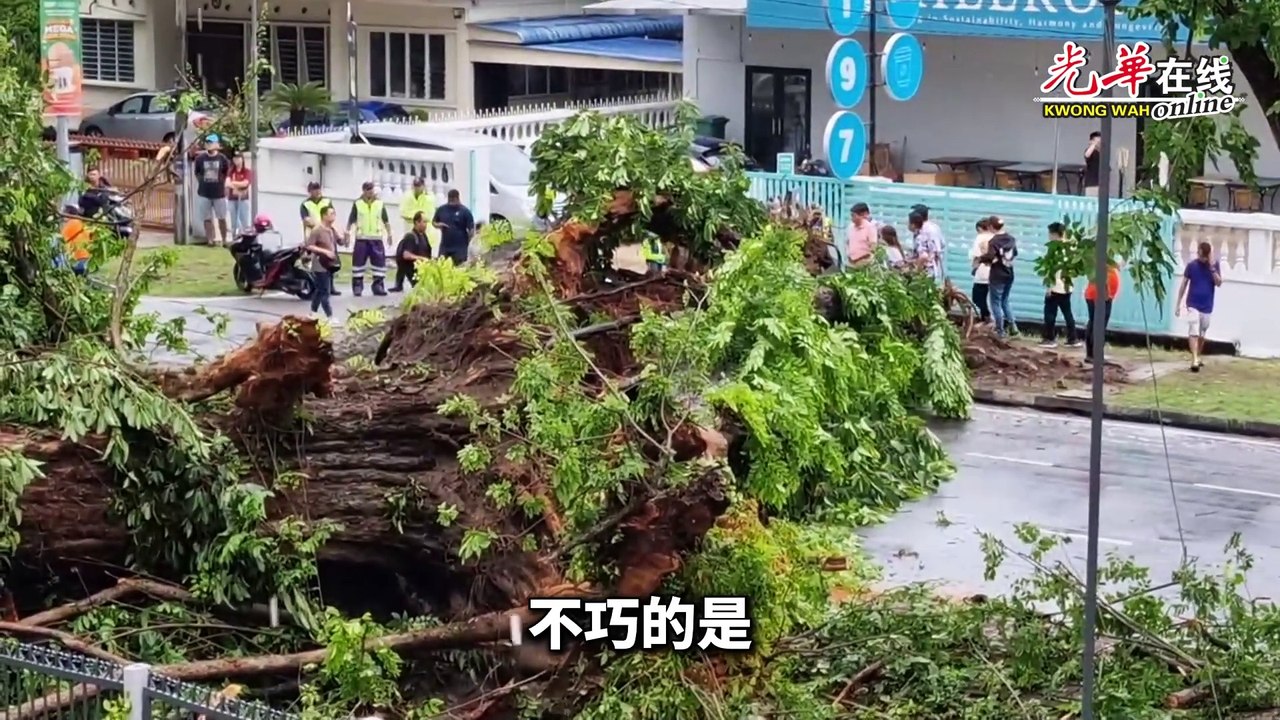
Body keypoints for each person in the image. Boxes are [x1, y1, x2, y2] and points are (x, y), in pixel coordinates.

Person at [1175, 241, 1222, 372]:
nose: (1201, 258)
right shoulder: (1191, 266)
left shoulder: (1214, 265)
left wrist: (1212, 268)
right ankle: (1194, 359)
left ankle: (1198, 355)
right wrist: (1178, 304)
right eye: (1199, 254)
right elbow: (1183, 285)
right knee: (1193, 330)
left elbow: (1218, 283)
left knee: (1202, 332)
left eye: (1203, 256)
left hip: (1207, 305)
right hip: (1192, 304)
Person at [346, 181, 392, 296]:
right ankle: (357, 286)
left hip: (376, 238)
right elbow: (351, 219)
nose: (370, 191)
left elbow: (385, 220)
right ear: (363, 191)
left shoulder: (380, 204)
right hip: (361, 238)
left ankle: (378, 286)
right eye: (367, 189)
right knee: (358, 264)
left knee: (379, 264)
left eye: (371, 189)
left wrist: (390, 234)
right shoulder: (357, 204)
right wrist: (347, 232)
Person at [1040, 222, 1080, 348]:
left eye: (1050, 234)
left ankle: (1049, 338)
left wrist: (1049, 287)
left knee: (1050, 313)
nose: (1049, 236)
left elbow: (1051, 269)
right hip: (1067, 285)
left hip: (1056, 286)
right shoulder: (1071, 246)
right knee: (1067, 312)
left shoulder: (1054, 248)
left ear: (1054, 234)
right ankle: (1072, 339)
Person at [299, 181, 341, 296]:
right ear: (309, 191)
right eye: (314, 189)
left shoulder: (327, 201)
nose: (317, 191)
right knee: (313, 262)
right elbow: (306, 220)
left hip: (327, 235)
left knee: (330, 262)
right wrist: (319, 227)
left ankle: (330, 286)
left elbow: (331, 215)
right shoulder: (305, 204)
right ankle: (315, 285)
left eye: (318, 189)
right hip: (313, 235)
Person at [192, 134, 232, 246]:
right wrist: (202, 183)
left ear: (217, 144)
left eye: (211, 142)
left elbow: (226, 173)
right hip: (204, 192)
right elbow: (197, 173)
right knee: (207, 218)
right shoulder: (200, 159)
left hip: (219, 193)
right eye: (207, 142)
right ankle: (210, 239)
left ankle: (224, 240)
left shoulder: (222, 159)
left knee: (221, 217)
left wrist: (223, 185)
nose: (208, 144)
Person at [983, 216, 1018, 338]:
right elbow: (1015, 254)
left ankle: (1000, 330)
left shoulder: (993, 242)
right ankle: (1013, 327)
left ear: (992, 227)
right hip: (1009, 273)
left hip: (997, 275)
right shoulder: (1011, 239)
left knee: (995, 302)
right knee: (1005, 301)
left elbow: (989, 257)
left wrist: (981, 259)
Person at [304, 205, 341, 319]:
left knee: (320, 290)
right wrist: (325, 252)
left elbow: (341, 242)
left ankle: (313, 312)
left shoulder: (331, 230)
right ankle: (329, 316)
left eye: (334, 214)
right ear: (324, 216)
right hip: (320, 264)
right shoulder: (317, 230)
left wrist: (345, 235)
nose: (333, 216)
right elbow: (310, 246)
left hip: (330, 264)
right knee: (325, 291)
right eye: (331, 214)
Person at [1083, 258, 1122, 364]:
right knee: (1099, 326)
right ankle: (1096, 355)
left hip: (1095, 295)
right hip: (1101, 296)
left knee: (1093, 323)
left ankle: (1091, 354)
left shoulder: (1104, 261)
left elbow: (1119, 265)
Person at [432, 189, 475, 266]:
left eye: (453, 200)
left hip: (460, 247)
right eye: (450, 200)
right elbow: (434, 222)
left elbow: (471, 229)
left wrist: (468, 242)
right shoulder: (442, 209)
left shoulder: (465, 211)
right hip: (445, 246)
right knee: (442, 267)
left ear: (457, 199)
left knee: (459, 267)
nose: (452, 203)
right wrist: (438, 225)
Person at [393, 211, 433, 291]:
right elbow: (406, 255)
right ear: (416, 222)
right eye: (424, 222)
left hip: (424, 269)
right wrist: (422, 258)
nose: (426, 225)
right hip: (413, 269)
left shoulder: (424, 236)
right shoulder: (410, 237)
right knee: (423, 289)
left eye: (426, 222)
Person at [400, 176, 438, 251]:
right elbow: (403, 212)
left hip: (426, 234)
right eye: (415, 186)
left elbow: (428, 216)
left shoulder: (429, 198)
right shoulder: (407, 196)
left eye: (419, 186)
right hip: (410, 233)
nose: (417, 188)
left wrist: (414, 217)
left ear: (423, 186)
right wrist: (417, 217)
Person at [911, 204, 946, 282]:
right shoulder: (935, 227)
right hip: (936, 268)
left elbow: (924, 254)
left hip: (927, 270)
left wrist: (916, 270)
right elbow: (942, 245)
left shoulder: (923, 230)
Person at [969, 217, 993, 323]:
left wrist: (974, 269)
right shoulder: (995, 237)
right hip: (995, 273)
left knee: (977, 298)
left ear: (980, 228)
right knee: (990, 299)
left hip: (982, 272)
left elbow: (976, 256)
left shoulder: (980, 238)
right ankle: (987, 318)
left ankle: (987, 317)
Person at [226, 152, 253, 237]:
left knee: (244, 221)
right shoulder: (230, 171)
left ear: (242, 159)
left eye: (238, 158)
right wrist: (238, 184)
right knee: (234, 222)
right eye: (234, 158)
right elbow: (227, 183)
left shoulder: (247, 171)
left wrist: (233, 183)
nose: (236, 160)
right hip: (232, 199)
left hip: (243, 199)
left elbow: (246, 183)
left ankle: (245, 238)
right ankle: (235, 238)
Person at [61, 206, 92, 276]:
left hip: (77, 260)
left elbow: (61, 240)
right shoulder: (81, 223)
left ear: (68, 214)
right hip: (87, 259)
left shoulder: (71, 223)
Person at [845, 202, 877, 268]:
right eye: (851, 215)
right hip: (851, 262)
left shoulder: (870, 227)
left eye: (853, 216)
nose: (852, 218)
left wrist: (867, 261)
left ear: (861, 216)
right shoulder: (850, 227)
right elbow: (848, 242)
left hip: (864, 262)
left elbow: (873, 246)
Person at [1083, 131, 1102, 198]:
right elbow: (1087, 155)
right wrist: (1093, 145)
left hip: (1101, 183)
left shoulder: (1101, 153)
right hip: (1091, 183)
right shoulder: (1090, 151)